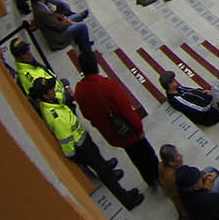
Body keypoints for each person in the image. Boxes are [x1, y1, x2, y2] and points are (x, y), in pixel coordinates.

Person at [29, 78, 143, 210]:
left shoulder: (51, 104)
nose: (53, 90)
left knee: (105, 170)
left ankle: (119, 187)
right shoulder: (55, 116)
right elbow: (66, 140)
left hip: (84, 143)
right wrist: (79, 153)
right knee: (105, 174)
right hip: (83, 149)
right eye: (50, 89)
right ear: (45, 95)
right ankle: (126, 200)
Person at [72, 51, 156, 188]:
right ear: (96, 65)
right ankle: (158, 177)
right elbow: (126, 110)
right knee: (147, 155)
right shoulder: (107, 85)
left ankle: (150, 180)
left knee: (134, 157)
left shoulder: (80, 90)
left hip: (111, 134)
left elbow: (86, 115)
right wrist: (138, 128)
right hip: (129, 131)